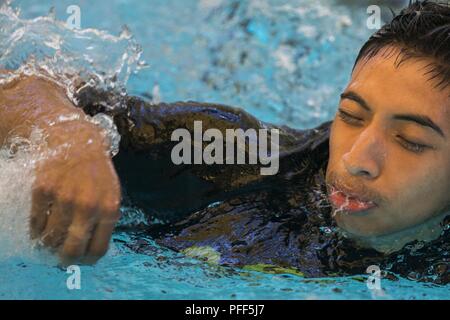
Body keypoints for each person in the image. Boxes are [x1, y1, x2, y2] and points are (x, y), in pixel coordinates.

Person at [0, 0, 448, 283]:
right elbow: (25, 85)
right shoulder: (230, 157)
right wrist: (68, 138)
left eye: (410, 141)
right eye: (351, 116)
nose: (356, 159)